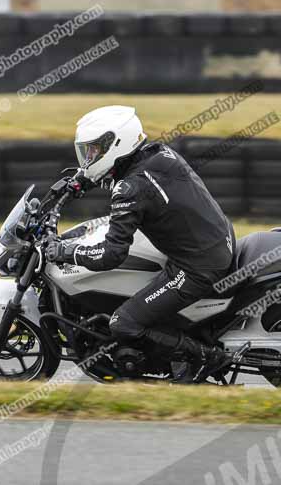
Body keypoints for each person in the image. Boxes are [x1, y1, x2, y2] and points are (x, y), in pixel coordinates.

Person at [45, 105, 235, 383]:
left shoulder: (130, 189)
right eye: (87, 151)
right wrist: (81, 180)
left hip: (197, 266)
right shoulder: (158, 153)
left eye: (94, 150)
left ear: (116, 144)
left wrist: (66, 251)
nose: (89, 158)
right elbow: (122, 175)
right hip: (214, 239)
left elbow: (110, 255)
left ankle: (206, 358)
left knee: (123, 323)